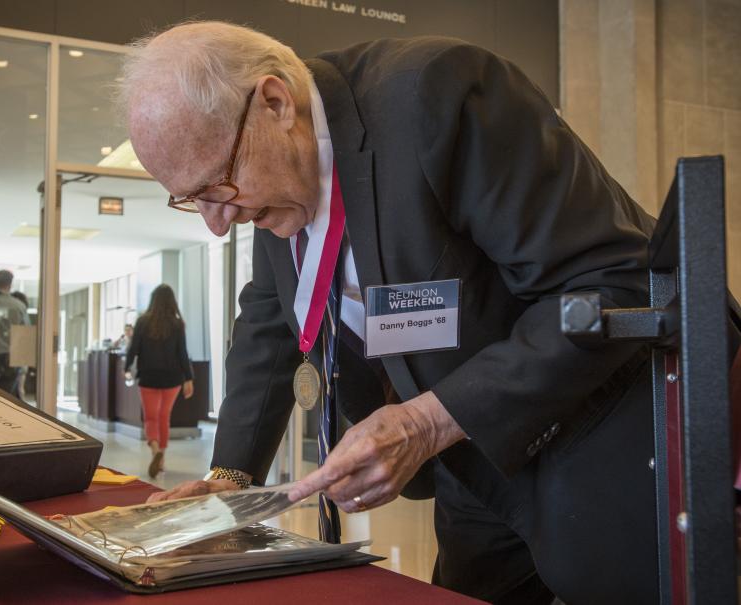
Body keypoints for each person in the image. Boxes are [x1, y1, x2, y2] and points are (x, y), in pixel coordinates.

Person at [121, 22, 658, 605]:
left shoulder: (436, 94)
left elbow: (612, 281)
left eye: (215, 187)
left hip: (600, 440)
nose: (215, 222)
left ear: (275, 103)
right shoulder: (273, 185)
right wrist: (228, 482)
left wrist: (425, 421)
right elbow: (270, 323)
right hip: (475, 469)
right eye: (189, 199)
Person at [124, 285, 194, 479]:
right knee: (164, 416)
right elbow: (182, 354)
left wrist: (126, 368)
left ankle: (155, 450)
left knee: (151, 417)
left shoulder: (143, 322)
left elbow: (134, 349)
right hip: (173, 379)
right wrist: (189, 378)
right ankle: (162, 456)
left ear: (153, 300)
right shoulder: (178, 324)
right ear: (172, 301)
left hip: (148, 377)